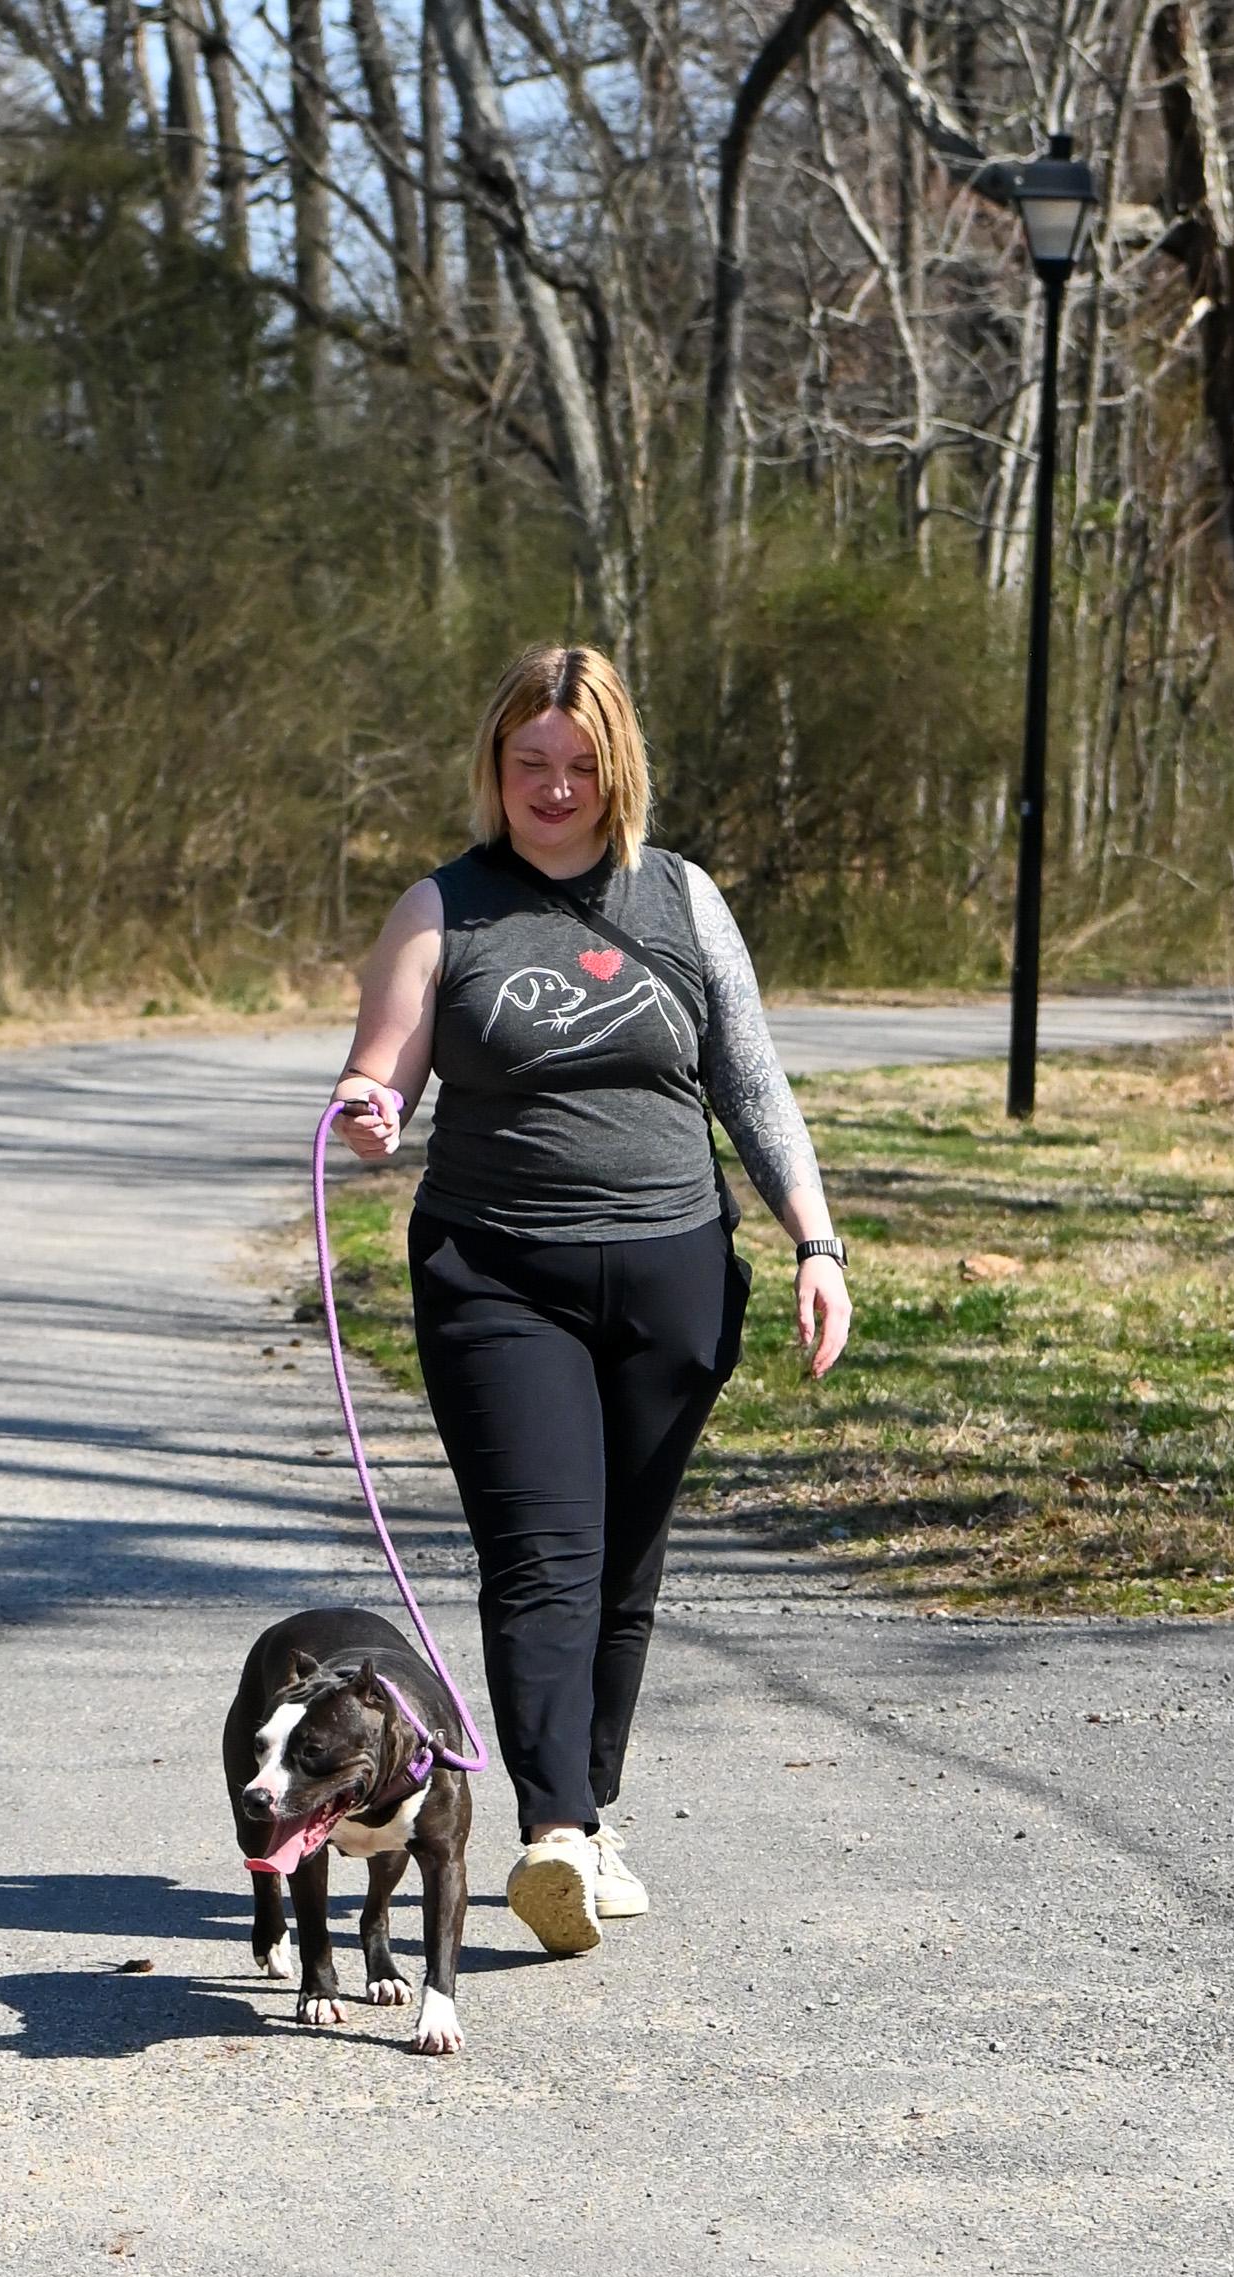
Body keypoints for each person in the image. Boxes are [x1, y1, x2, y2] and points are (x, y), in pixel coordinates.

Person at [331, 643, 850, 1956]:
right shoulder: (442, 909)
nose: (554, 788)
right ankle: (553, 1829)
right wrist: (371, 1107)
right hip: (498, 1275)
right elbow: (381, 1073)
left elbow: (751, 1083)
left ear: (620, 769)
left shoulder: (680, 896)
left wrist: (816, 1243)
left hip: (675, 1271)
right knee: (543, 1552)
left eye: (580, 764)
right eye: (530, 764)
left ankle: (592, 1812)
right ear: (495, 768)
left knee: (624, 1561)